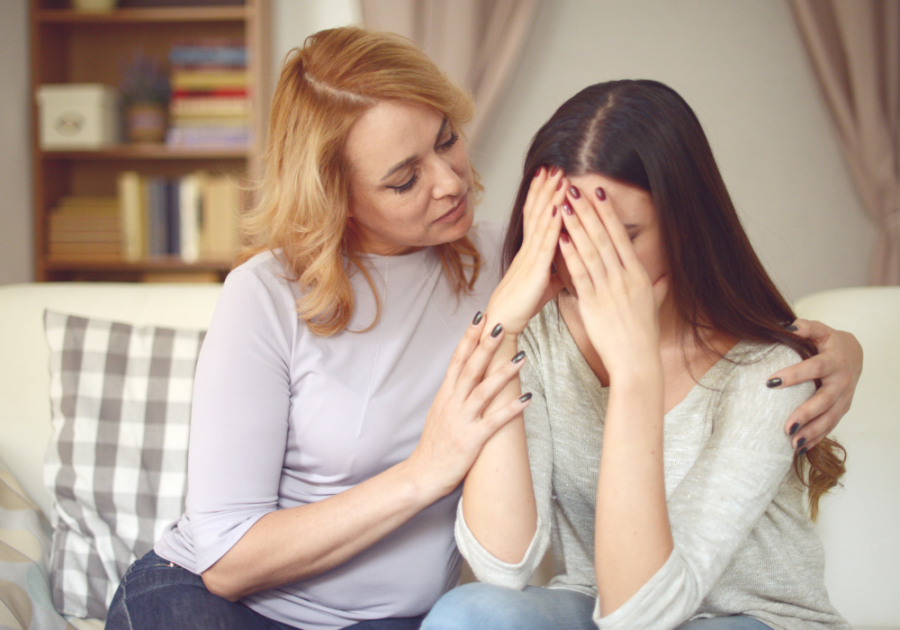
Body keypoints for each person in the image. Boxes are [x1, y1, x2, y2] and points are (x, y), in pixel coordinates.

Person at [106, 28, 859, 630]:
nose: (450, 182)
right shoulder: (277, 294)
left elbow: (724, 319)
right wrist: (438, 454)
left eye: (447, 139)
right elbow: (229, 560)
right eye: (403, 179)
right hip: (227, 602)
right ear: (338, 200)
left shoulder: (521, 260)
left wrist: (843, 350)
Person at [422, 80, 853, 630]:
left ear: (684, 227)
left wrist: (633, 371)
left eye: (621, 234)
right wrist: (503, 327)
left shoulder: (768, 370)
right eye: (566, 231)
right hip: (598, 606)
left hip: (749, 619)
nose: (587, 263)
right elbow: (500, 564)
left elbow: (641, 616)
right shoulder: (545, 337)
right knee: (468, 615)